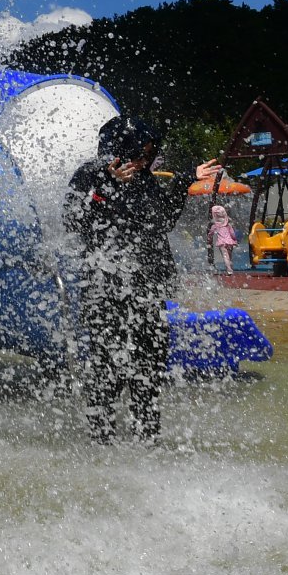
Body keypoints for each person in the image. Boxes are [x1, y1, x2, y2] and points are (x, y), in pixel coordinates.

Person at [63, 116, 222, 443]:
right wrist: (107, 189)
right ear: (121, 147)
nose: (145, 159)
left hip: (147, 290)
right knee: (106, 368)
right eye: (141, 152)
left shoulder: (145, 180)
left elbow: (161, 224)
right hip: (105, 291)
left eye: (150, 153)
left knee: (148, 370)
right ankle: (101, 442)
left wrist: (183, 182)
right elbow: (74, 223)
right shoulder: (89, 174)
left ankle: (147, 441)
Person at [207, 204, 238, 274]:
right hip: (230, 242)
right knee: (229, 255)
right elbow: (233, 234)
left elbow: (210, 234)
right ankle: (230, 266)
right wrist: (235, 240)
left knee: (225, 255)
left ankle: (229, 270)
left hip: (222, 243)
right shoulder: (228, 225)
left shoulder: (215, 226)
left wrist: (209, 240)